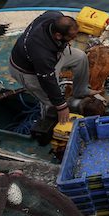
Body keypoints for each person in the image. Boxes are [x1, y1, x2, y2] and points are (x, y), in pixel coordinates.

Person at [8, 11, 91, 143]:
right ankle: (48, 130)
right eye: (71, 38)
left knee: (80, 57)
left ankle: (81, 91)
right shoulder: (41, 53)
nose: (73, 40)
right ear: (58, 35)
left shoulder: (53, 15)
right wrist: (61, 106)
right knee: (50, 102)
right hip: (28, 71)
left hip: (55, 54)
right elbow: (48, 80)